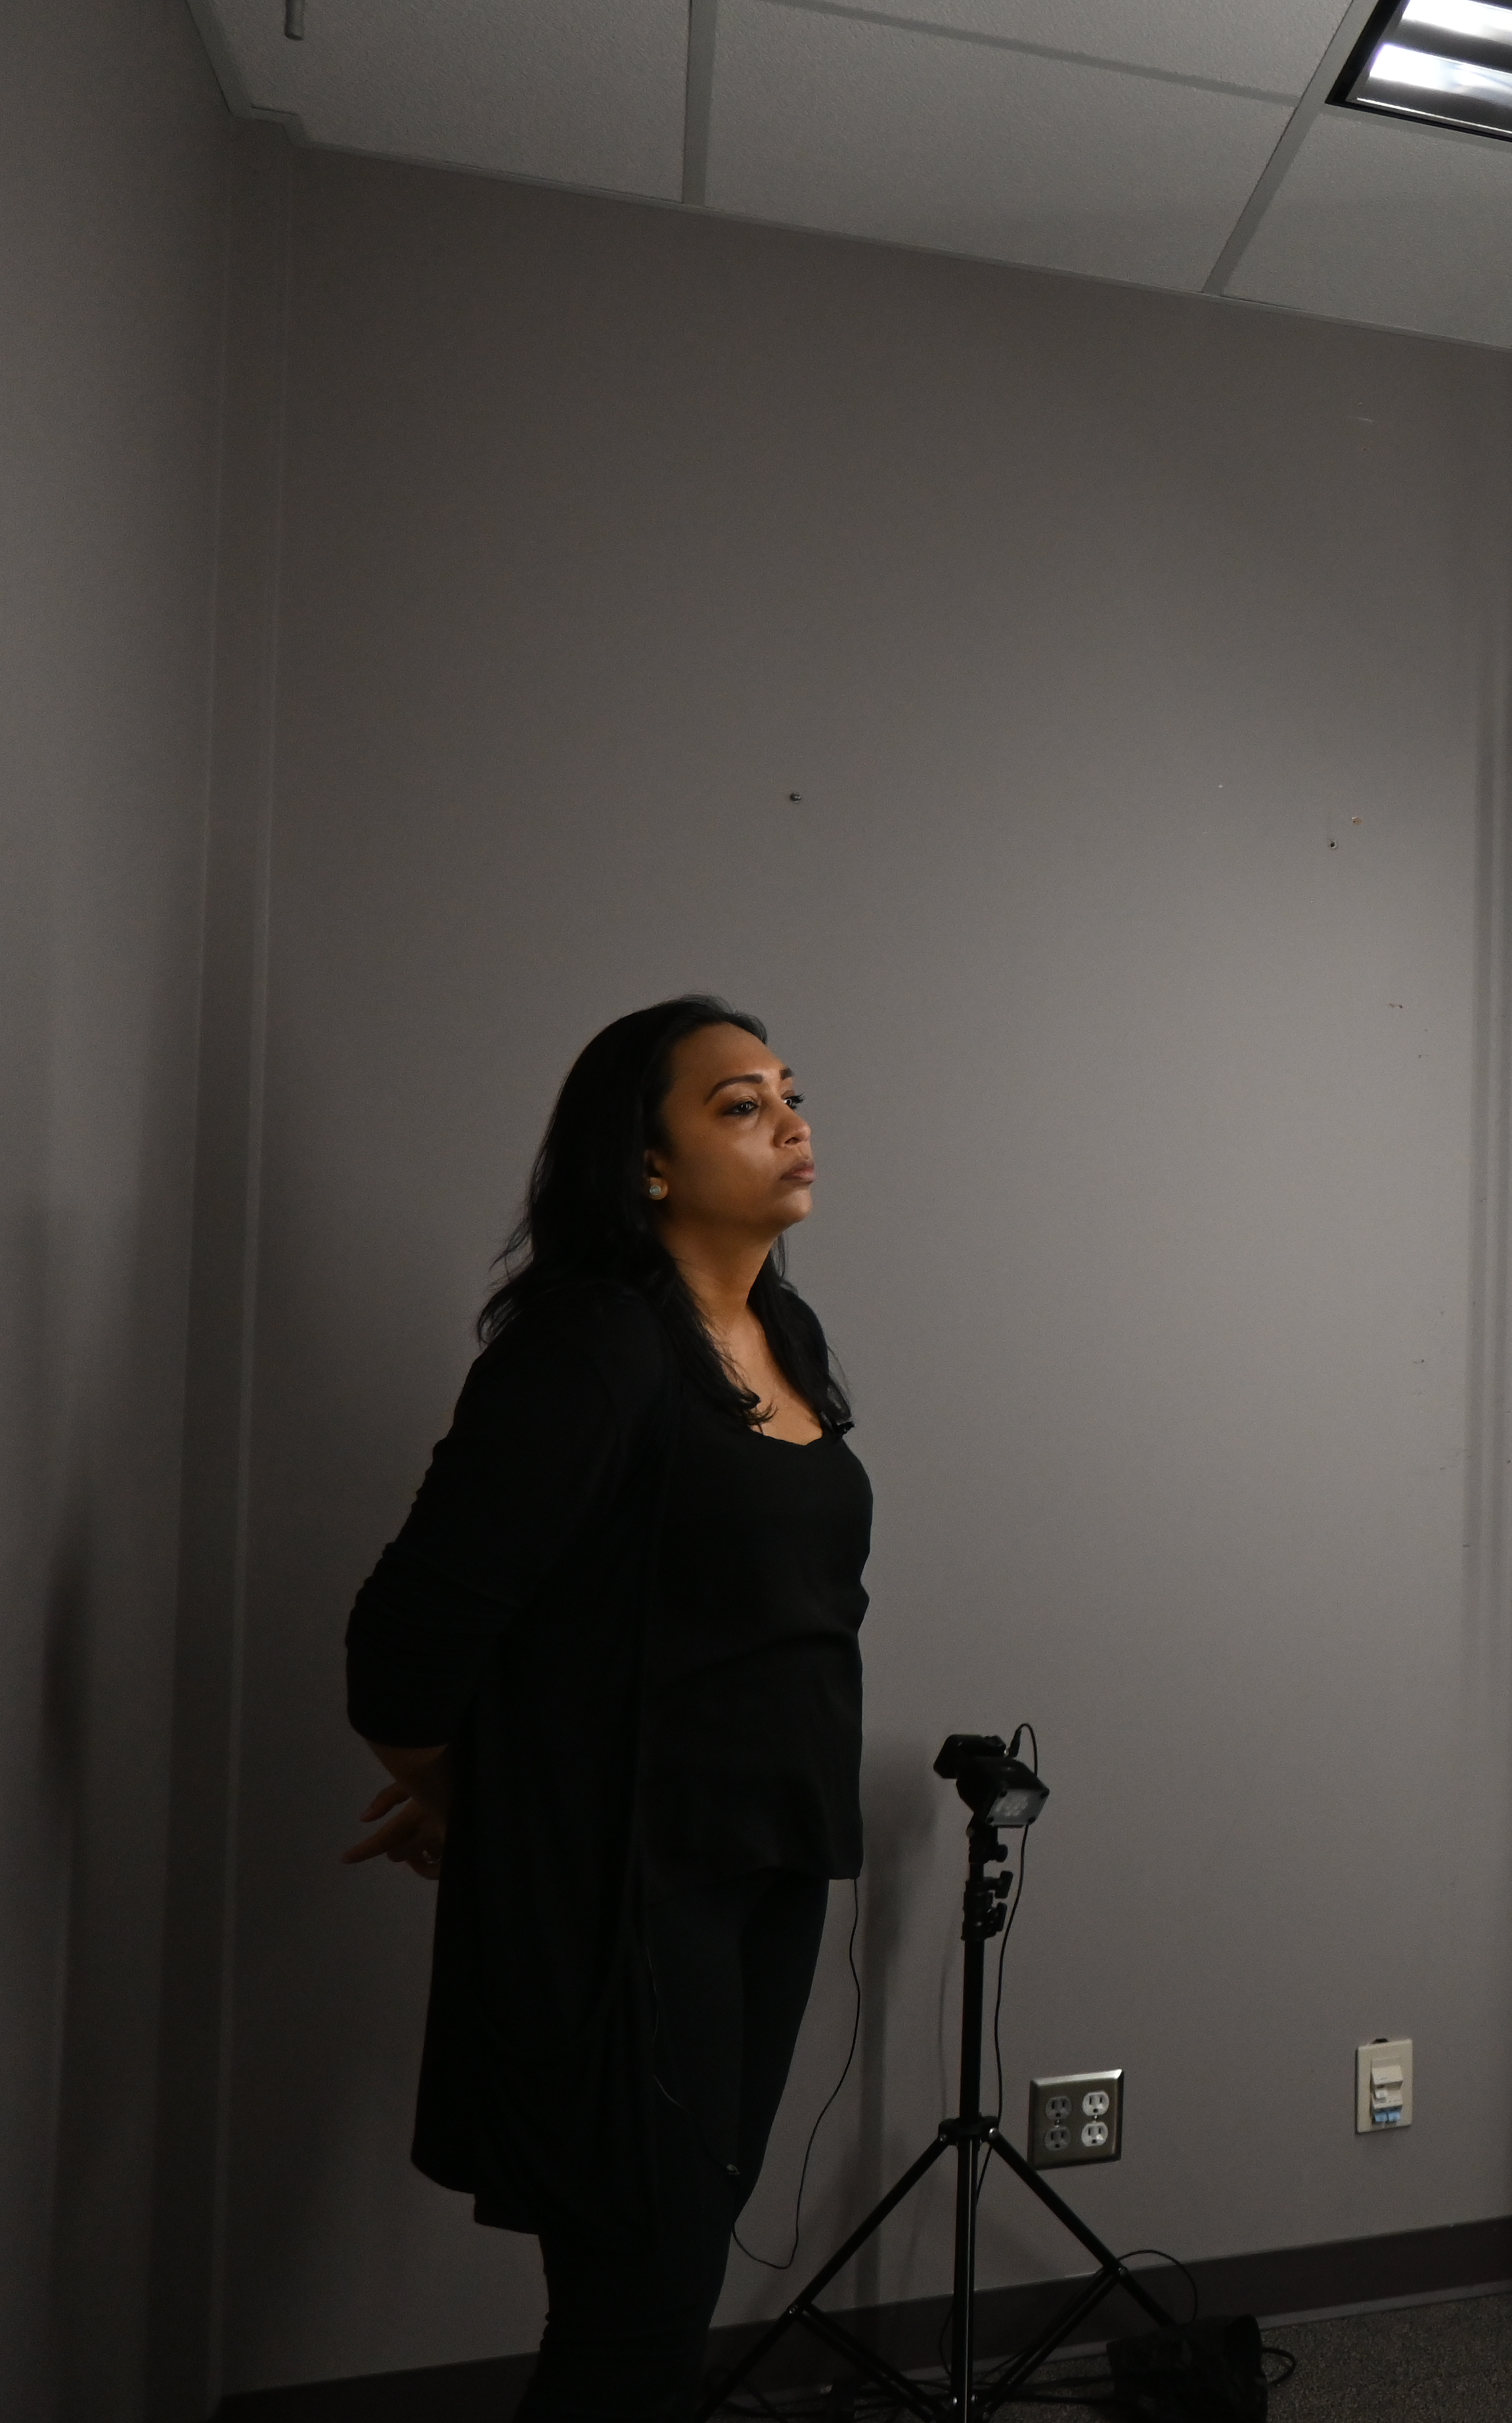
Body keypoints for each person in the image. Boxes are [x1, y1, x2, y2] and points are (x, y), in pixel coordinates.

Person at [343, 997, 869, 2421]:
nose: (791, 1122)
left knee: (672, 2277)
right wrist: (483, 1803)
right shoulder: (589, 1349)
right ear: (643, 1162)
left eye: (791, 1094)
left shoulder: (784, 1329)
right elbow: (402, 1640)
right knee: (635, 2310)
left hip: (767, 1863)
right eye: (740, 1105)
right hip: (633, 1892)